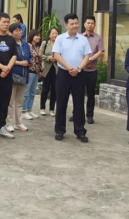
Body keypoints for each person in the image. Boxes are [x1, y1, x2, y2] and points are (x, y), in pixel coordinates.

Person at [52, 14, 92, 143]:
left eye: (76, 23)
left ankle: (80, 131)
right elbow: (56, 55)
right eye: (72, 23)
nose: (75, 25)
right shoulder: (60, 38)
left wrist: (78, 69)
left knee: (79, 104)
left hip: (79, 74)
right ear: (66, 25)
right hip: (64, 74)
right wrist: (69, 68)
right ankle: (59, 130)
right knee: (61, 102)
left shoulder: (83, 39)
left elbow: (87, 57)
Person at [6, 23, 30, 133]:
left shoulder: (25, 44)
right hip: (12, 75)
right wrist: (20, 63)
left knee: (19, 101)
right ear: (11, 33)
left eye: (20, 30)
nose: (19, 32)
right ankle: (9, 123)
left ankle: (18, 122)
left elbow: (29, 58)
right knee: (10, 101)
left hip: (24, 75)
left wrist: (27, 65)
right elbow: (7, 59)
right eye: (16, 30)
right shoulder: (9, 43)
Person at [82, 16, 105, 124]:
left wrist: (90, 60)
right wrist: (84, 62)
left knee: (90, 94)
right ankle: (76, 113)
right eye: (88, 23)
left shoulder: (98, 38)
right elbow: (77, 51)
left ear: (95, 25)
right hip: (81, 70)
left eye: (92, 23)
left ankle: (90, 115)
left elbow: (100, 51)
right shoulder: (80, 37)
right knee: (78, 93)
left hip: (92, 71)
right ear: (84, 24)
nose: (90, 25)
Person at [40, 28, 59, 117]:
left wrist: (57, 58)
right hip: (47, 69)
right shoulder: (45, 43)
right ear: (49, 35)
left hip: (56, 69)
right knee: (45, 89)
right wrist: (48, 58)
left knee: (54, 90)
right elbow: (40, 55)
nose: (55, 35)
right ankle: (42, 108)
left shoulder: (60, 44)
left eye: (56, 33)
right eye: (53, 33)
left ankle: (52, 109)